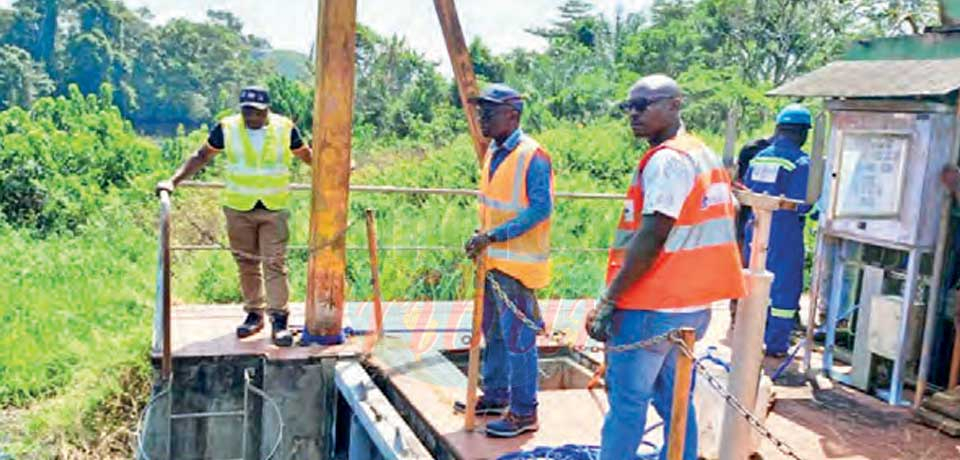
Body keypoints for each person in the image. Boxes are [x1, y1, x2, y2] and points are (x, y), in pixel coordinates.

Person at [586, 74, 746, 460]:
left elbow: (653, 232)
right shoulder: (702, 154)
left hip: (651, 306)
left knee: (628, 404)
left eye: (644, 104)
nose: (634, 113)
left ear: (675, 104)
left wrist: (609, 299)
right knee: (677, 402)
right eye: (629, 106)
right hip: (692, 308)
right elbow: (733, 213)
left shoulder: (667, 161)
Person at [155, 86, 312, 347]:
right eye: (247, 111)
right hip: (239, 207)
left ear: (267, 110)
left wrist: (336, 170)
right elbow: (202, 155)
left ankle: (280, 321)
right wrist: (173, 181)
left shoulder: (285, 128)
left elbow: (306, 155)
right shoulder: (227, 128)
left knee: (274, 263)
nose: (251, 117)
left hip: (274, 207)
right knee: (246, 263)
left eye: (257, 112)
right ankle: (254, 314)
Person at [454, 83, 554, 438]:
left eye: (489, 112)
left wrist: (494, 236)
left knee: (519, 339)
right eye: (480, 111)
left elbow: (541, 208)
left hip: (518, 264)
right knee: (492, 332)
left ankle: (524, 411)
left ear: (512, 115)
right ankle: (496, 395)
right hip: (492, 261)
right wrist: (483, 235)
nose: (482, 118)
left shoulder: (533, 155)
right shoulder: (494, 151)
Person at [742, 104, 813, 357]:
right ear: (803, 132)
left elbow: (748, 190)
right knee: (784, 288)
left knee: (754, 282)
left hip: (756, 227)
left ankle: (750, 337)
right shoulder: (801, 162)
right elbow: (802, 203)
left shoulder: (759, 157)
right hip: (785, 232)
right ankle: (776, 344)